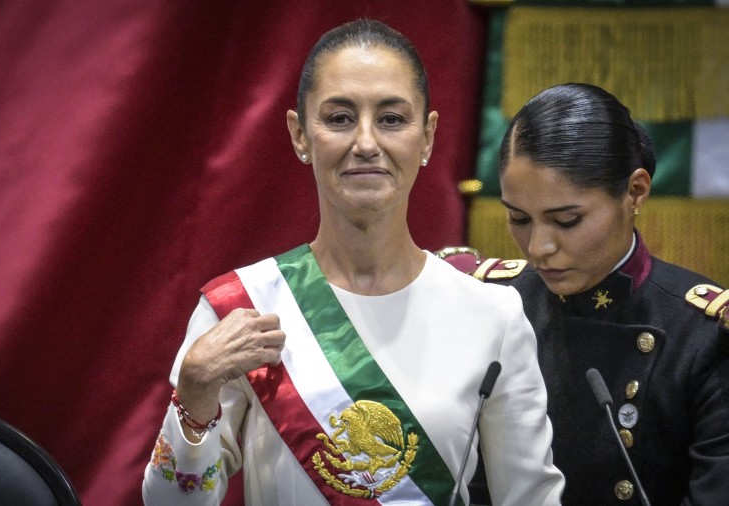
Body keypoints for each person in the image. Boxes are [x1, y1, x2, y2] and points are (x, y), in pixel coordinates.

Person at [142, 19, 564, 506]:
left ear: (427, 137)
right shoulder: (241, 309)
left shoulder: (495, 316)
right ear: (300, 135)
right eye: (339, 118)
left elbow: (532, 499)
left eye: (391, 119)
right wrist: (194, 392)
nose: (366, 142)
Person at [448, 83, 729, 505]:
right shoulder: (486, 303)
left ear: (635, 191)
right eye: (518, 218)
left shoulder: (704, 334)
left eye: (566, 220)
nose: (539, 247)